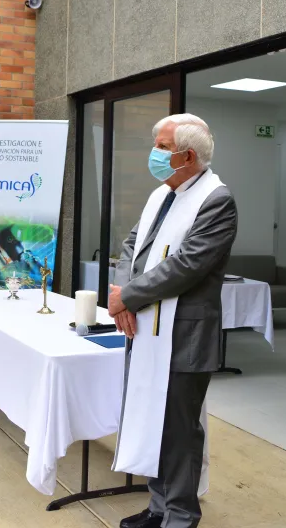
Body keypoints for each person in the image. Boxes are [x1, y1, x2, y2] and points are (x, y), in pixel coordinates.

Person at [107, 115, 237, 528]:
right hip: (147, 326)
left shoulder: (216, 200)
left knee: (179, 430)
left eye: (162, 147)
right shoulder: (164, 194)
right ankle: (159, 507)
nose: (154, 153)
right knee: (153, 421)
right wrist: (123, 295)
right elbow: (132, 245)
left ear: (188, 156)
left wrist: (127, 296)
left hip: (184, 335)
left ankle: (180, 516)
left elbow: (188, 265)